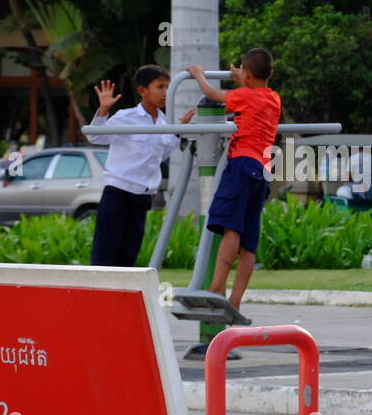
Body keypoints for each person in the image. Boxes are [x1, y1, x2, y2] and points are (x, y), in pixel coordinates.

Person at [188, 49, 281, 313]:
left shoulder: (245, 96)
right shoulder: (274, 98)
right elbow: (252, 96)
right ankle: (236, 299)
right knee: (248, 242)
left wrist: (198, 74)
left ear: (247, 74)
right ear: (271, 74)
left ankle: (217, 287)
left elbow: (212, 95)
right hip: (262, 171)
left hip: (241, 165)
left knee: (231, 230)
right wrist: (244, 79)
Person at [84, 65, 195, 267]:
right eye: (160, 87)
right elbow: (95, 137)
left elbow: (162, 153)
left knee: (129, 253)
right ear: (142, 90)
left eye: (168, 86)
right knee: (106, 253)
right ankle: (99, 288)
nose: (165, 92)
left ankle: (123, 289)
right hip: (118, 193)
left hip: (142, 197)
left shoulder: (163, 123)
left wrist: (179, 130)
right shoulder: (126, 117)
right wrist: (103, 110)